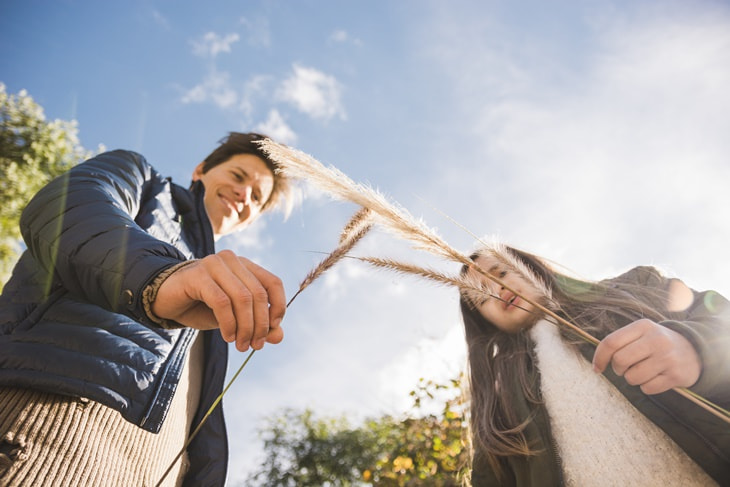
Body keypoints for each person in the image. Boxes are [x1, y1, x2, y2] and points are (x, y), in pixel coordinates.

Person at [0, 132, 297, 486]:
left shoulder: (219, 287)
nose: (244, 194)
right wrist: (160, 277)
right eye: (237, 176)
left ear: (251, 220)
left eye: (257, 197)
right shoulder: (144, 180)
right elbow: (68, 207)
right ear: (201, 170)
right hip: (47, 434)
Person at [460, 242, 730, 486]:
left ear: (527, 266)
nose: (496, 290)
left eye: (501, 273)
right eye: (481, 296)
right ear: (485, 322)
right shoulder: (498, 403)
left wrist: (699, 349)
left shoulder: (633, 289)